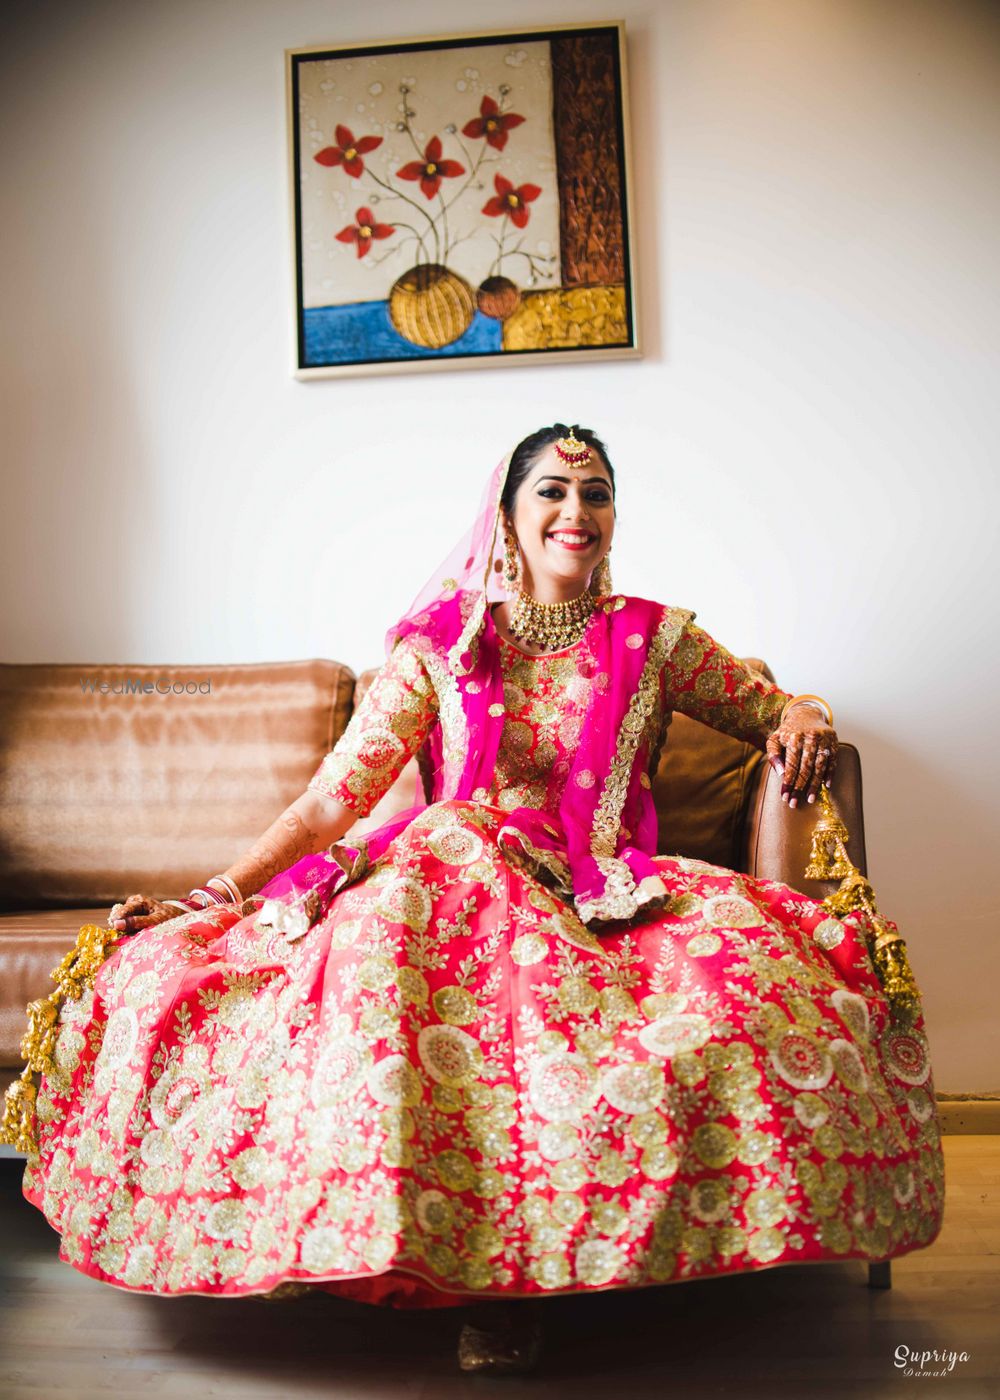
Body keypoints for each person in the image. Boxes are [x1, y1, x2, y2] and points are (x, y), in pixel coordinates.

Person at [3, 424, 944, 1376]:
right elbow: (335, 798)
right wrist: (219, 893)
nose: (576, 512)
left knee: (746, 981)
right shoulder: (441, 649)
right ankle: (400, 1252)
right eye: (552, 492)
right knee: (436, 860)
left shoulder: (658, 640)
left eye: (597, 493)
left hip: (597, 893)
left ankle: (522, 1282)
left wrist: (809, 715)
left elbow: (767, 706)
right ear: (506, 516)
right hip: (450, 888)